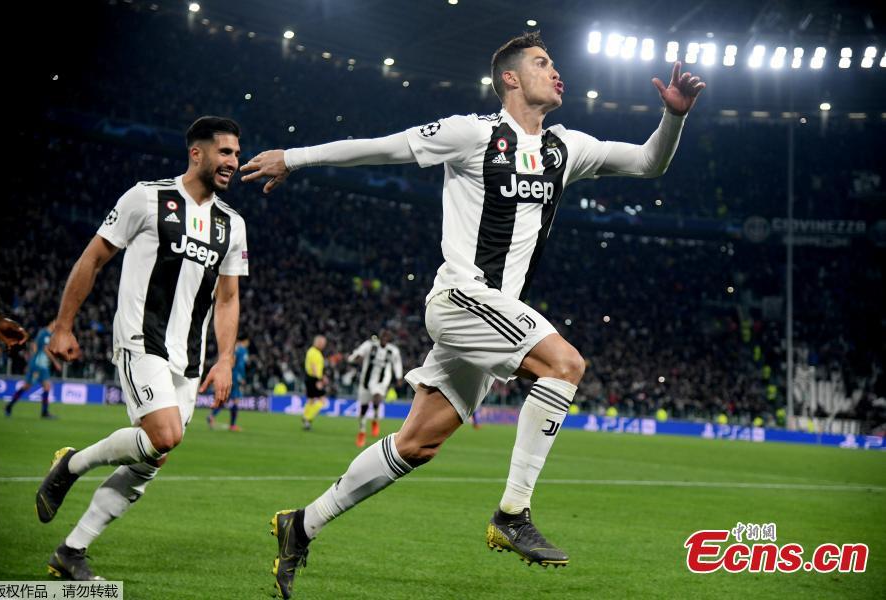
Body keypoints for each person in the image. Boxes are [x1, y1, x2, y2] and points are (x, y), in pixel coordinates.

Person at [242, 31, 703, 598]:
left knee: (417, 444)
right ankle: (513, 513)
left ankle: (301, 524)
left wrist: (673, 117)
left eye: (554, 63)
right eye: (542, 63)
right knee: (565, 365)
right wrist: (294, 156)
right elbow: (383, 146)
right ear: (510, 78)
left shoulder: (566, 148)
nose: (556, 72)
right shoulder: (473, 134)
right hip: (461, 298)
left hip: (493, 317)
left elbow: (649, 162)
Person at [36, 116, 249, 581]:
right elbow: (93, 257)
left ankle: (71, 551)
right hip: (141, 339)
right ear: (197, 153)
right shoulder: (147, 197)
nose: (234, 161)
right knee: (164, 436)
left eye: (237, 153)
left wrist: (226, 358)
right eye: (226, 152)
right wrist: (63, 325)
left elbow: (228, 297)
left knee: (153, 458)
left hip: (188, 359)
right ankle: (73, 464)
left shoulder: (232, 224)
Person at [347, 330, 403, 447]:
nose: (384, 338)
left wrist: (399, 377)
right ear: (380, 337)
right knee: (364, 408)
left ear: (389, 339)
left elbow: (397, 364)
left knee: (377, 398)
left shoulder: (392, 351)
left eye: (387, 337)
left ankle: (375, 419)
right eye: (383, 336)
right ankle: (362, 432)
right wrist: (354, 358)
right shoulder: (369, 345)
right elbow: (357, 354)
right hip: (366, 381)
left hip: (381, 381)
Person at [5, 321, 60, 418]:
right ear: (53, 324)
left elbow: (34, 344)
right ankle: (9, 406)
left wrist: (32, 358)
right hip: (38, 366)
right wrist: (55, 362)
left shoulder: (45, 333)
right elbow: (45, 349)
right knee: (27, 386)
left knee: (47, 387)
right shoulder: (45, 334)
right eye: (57, 325)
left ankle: (44, 412)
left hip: (42, 365)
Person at [208, 334, 249, 431]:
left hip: (229, 374)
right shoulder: (242, 350)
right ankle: (233, 425)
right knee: (235, 400)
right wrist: (241, 377)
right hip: (235, 376)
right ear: (245, 341)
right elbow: (239, 364)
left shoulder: (232, 348)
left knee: (225, 398)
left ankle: (212, 416)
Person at [301, 335, 327, 431]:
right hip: (313, 379)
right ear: (319, 342)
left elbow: (317, 367)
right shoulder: (314, 352)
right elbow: (313, 367)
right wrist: (319, 380)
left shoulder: (312, 351)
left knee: (311, 400)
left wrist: (322, 376)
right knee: (322, 401)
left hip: (311, 378)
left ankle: (305, 417)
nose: (324, 345)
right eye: (323, 343)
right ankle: (308, 418)